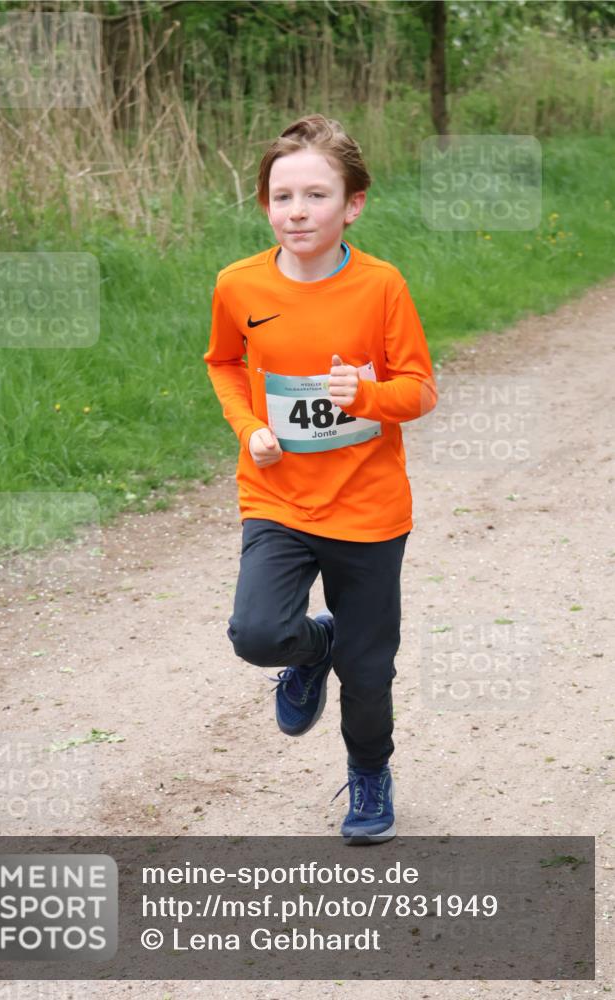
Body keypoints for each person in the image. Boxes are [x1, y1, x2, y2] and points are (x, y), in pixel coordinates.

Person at [203, 113, 438, 845]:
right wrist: (251, 429)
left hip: (367, 507)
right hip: (276, 495)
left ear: (353, 204)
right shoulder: (237, 284)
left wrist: (362, 397)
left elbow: (419, 390)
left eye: (314, 196)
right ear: (264, 204)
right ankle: (311, 649)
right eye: (281, 197)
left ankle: (369, 774)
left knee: (368, 675)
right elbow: (222, 365)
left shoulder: (380, 286)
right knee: (257, 632)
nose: (296, 212)